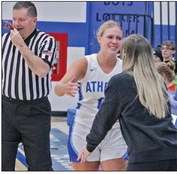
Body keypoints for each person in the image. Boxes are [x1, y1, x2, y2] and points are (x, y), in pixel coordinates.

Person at [78, 34, 177, 171]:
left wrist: (90, 145)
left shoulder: (121, 81)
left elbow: (105, 118)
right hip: (173, 151)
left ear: (125, 55)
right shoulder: (158, 80)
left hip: (146, 157)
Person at [55, 20, 127, 171]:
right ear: (99, 38)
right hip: (86, 127)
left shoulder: (125, 67)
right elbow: (57, 89)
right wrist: (65, 87)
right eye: (110, 37)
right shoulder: (85, 63)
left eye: (118, 38)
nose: (114, 41)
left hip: (115, 130)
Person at [2, 2, 56, 171]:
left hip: (35, 111)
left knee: (40, 166)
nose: (16, 24)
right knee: (2, 164)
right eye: (14, 19)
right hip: (6, 109)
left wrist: (21, 46)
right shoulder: (3, 40)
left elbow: (41, 70)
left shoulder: (47, 41)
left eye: (22, 20)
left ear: (34, 21)